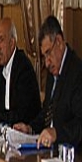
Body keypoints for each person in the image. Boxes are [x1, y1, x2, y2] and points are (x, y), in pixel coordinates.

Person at [14, 16, 82, 149]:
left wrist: (56, 133)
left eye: (48, 53)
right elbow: (47, 113)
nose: (47, 62)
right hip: (49, 150)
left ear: (59, 42)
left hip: (72, 155)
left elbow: (80, 124)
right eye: (44, 56)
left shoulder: (77, 72)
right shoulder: (53, 71)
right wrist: (30, 128)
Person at [0, 18, 40, 131]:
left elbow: (20, 115)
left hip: (24, 133)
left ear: (12, 43)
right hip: (4, 132)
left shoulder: (23, 68)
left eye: (2, 40)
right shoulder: (1, 68)